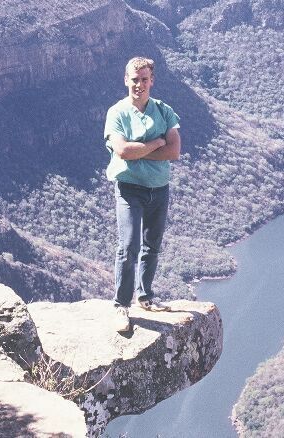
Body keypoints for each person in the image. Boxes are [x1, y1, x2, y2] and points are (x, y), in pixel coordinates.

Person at [104, 57, 181, 332]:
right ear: (126, 79)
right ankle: (121, 306)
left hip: (159, 189)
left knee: (153, 245)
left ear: (152, 80)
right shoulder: (117, 113)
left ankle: (145, 296)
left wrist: (142, 150)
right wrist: (157, 142)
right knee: (129, 246)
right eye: (134, 79)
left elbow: (174, 151)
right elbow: (123, 151)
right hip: (129, 189)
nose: (139, 84)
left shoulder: (163, 110)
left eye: (144, 79)